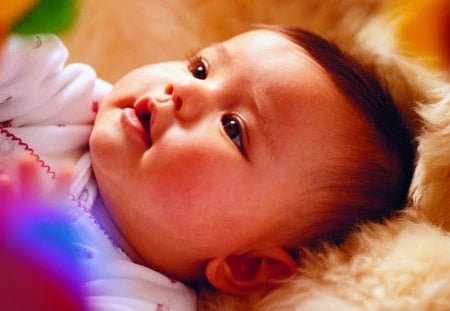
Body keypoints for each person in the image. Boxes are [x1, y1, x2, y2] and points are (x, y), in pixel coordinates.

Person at [0, 25, 414, 308]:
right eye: (200, 68)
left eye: (232, 129)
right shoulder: (68, 106)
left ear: (246, 265)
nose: (183, 90)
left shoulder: (138, 297)